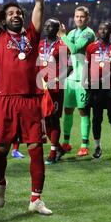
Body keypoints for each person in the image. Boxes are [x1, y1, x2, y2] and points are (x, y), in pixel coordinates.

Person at [0, 0, 51, 214]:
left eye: (18, 13)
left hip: (31, 100)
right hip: (6, 100)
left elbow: (39, 5)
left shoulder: (32, 36)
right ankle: (1, 184)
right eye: (11, 13)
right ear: (4, 20)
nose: (16, 15)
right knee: (0, 150)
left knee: (35, 149)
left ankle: (36, 199)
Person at [59, 6, 96, 156]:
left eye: (82, 16)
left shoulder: (89, 33)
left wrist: (62, 36)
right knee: (67, 110)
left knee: (83, 111)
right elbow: (68, 55)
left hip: (84, 78)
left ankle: (84, 145)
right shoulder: (72, 33)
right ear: (73, 17)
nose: (79, 19)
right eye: (77, 16)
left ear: (87, 18)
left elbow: (74, 49)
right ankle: (66, 143)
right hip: (71, 79)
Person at [84, 21, 111, 159]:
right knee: (96, 119)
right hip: (95, 89)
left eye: (105, 29)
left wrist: (103, 79)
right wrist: (86, 81)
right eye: (100, 29)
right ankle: (97, 147)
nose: (102, 31)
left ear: (110, 31)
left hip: (110, 88)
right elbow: (87, 67)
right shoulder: (91, 48)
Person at [37, 18, 70, 165]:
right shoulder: (40, 44)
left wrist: (57, 79)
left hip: (55, 88)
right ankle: (59, 148)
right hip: (41, 86)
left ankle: (52, 153)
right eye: (45, 25)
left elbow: (69, 67)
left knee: (54, 118)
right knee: (45, 119)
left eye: (50, 26)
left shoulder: (62, 45)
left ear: (57, 28)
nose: (46, 27)